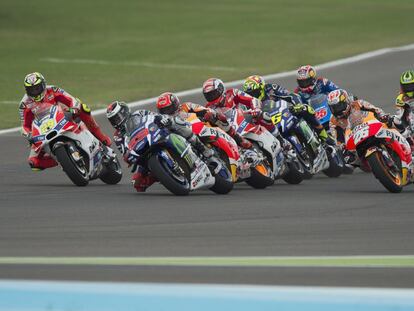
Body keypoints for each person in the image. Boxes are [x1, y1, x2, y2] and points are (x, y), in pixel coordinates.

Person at [106, 101, 213, 192]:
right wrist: (128, 157)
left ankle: (201, 147)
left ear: (125, 112)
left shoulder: (138, 113)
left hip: (156, 135)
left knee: (175, 122)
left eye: (117, 117)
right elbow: (124, 151)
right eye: (113, 120)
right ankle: (165, 174)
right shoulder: (117, 136)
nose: (116, 121)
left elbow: (154, 116)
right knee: (138, 184)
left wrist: (163, 120)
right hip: (142, 150)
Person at [19, 72, 112, 170]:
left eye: (37, 88)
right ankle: (62, 160)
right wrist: (29, 135)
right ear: (27, 90)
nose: (35, 92)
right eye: (32, 90)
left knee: (83, 108)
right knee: (33, 163)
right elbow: (25, 125)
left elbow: (71, 99)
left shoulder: (52, 89)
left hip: (63, 117)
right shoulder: (24, 104)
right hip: (43, 131)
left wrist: (74, 108)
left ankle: (101, 137)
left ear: (43, 85)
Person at [242, 74, 333, 144]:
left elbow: (290, 95)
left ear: (261, 88)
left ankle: (323, 136)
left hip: (283, 113)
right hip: (268, 123)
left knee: (305, 109)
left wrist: (297, 104)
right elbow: (246, 117)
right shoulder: (247, 102)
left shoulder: (271, 88)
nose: (252, 96)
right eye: (249, 94)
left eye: (254, 92)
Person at [156, 91, 252, 149]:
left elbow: (203, 109)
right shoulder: (165, 121)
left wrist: (207, 113)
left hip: (200, 128)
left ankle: (238, 139)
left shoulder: (186, 106)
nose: (168, 112)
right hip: (184, 138)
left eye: (169, 108)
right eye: (164, 110)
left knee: (218, 117)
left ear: (175, 104)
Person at [388, 70, 414, 152]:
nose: (409, 89)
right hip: (409, 126)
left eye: (411, 86)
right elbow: (400, 117)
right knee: (393, 121)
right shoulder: (400, 99)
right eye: (406, 86)